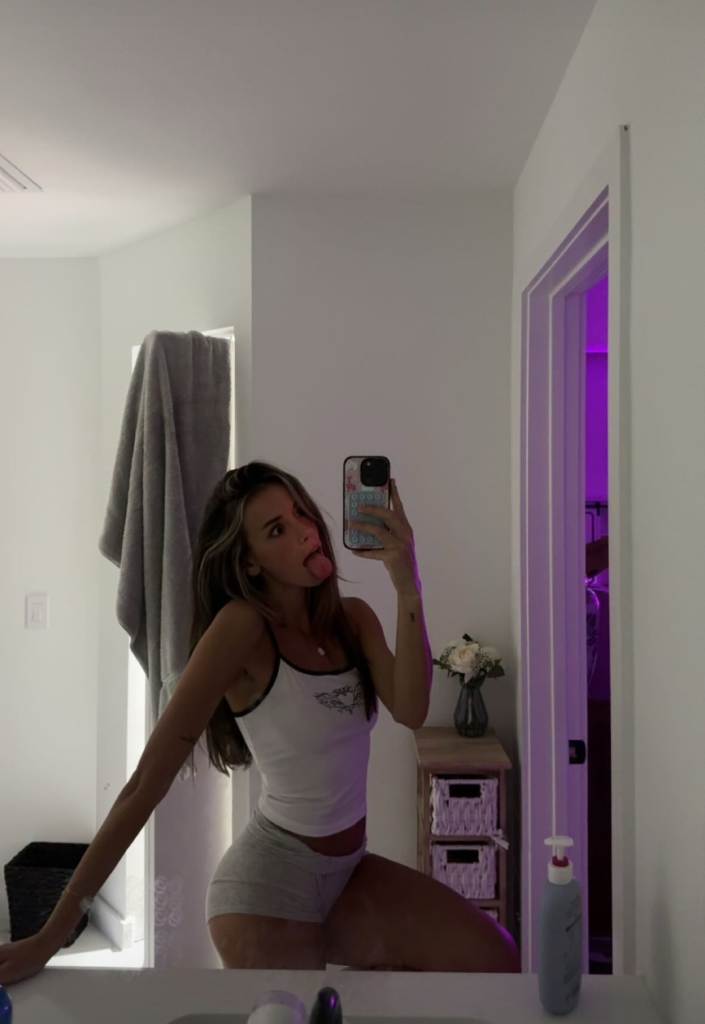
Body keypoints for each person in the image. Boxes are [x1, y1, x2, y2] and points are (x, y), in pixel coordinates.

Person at [0, 462, 519, 983]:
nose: (305, 531)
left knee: (494, 955)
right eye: (277, 530)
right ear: (250, 563)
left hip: (348, 871)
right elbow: (144, 785)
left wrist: (408, 586)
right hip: (267, 885)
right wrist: (50, 936)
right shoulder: (243, 628)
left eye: (300, 513)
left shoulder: (354, 619)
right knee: (299, 1015)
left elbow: (411, 708)